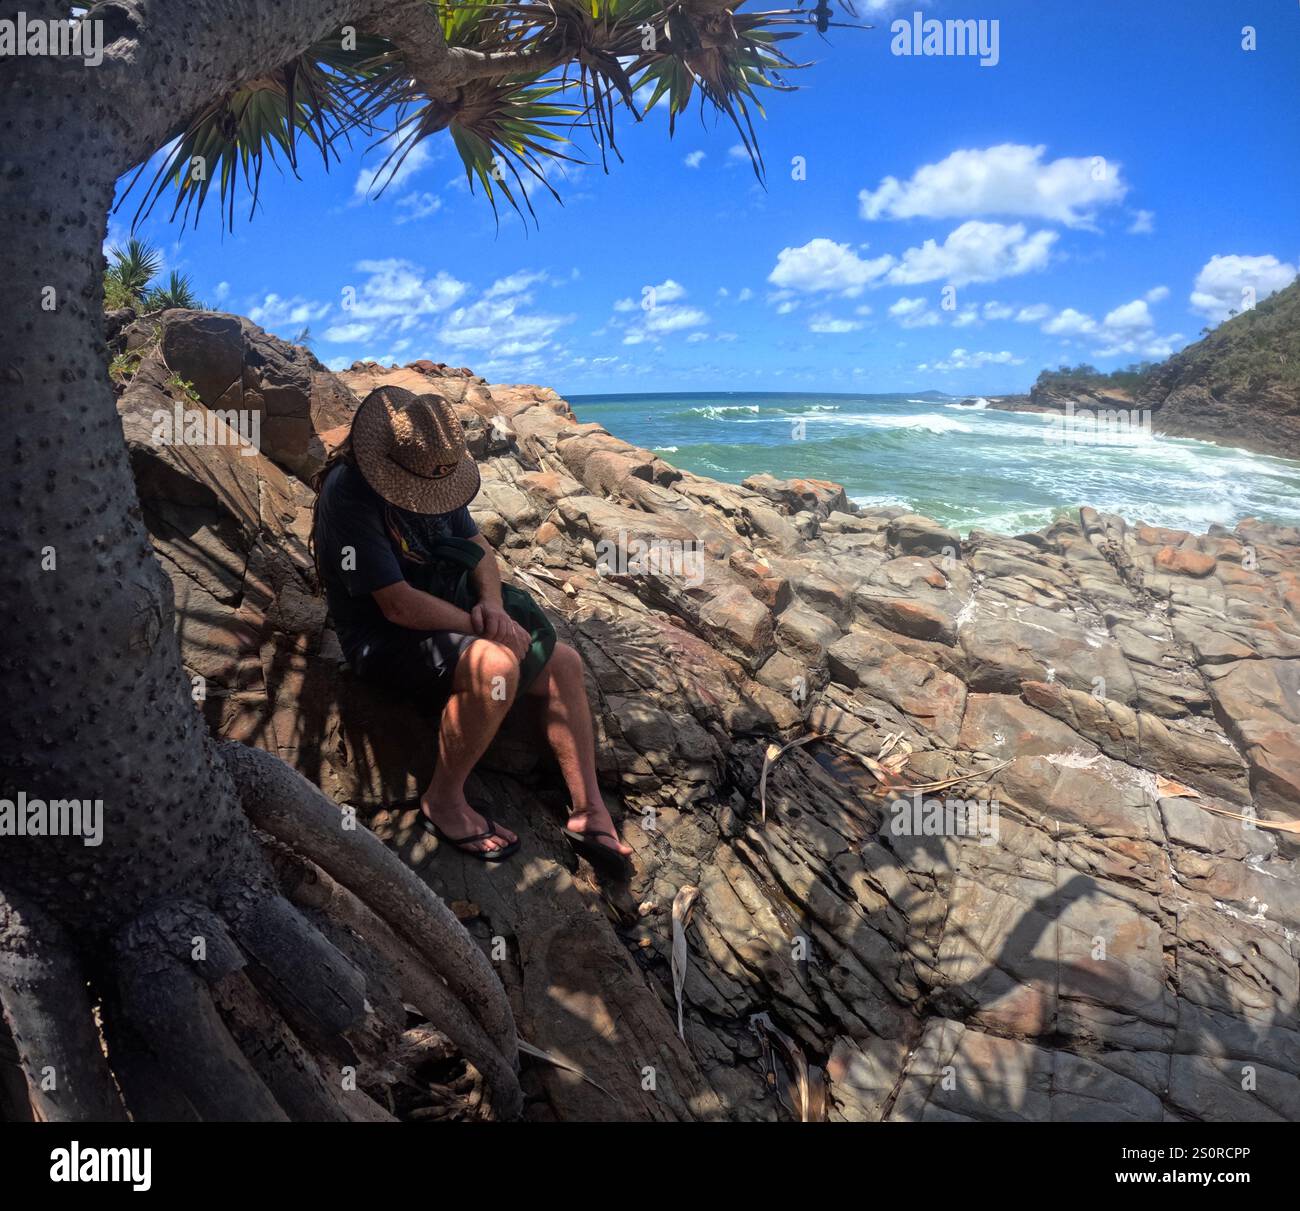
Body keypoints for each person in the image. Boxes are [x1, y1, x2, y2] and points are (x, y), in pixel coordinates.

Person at [311, 384, 632, 871]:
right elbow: (396, 605)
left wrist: (493, 606)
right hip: (381, 635)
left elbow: (479, 547)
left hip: (443, 609)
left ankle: (588, 810)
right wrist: (485, 631)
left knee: (562, 662)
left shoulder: (432, 473)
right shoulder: (350, 493)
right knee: (496, 665)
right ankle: (443, 801)